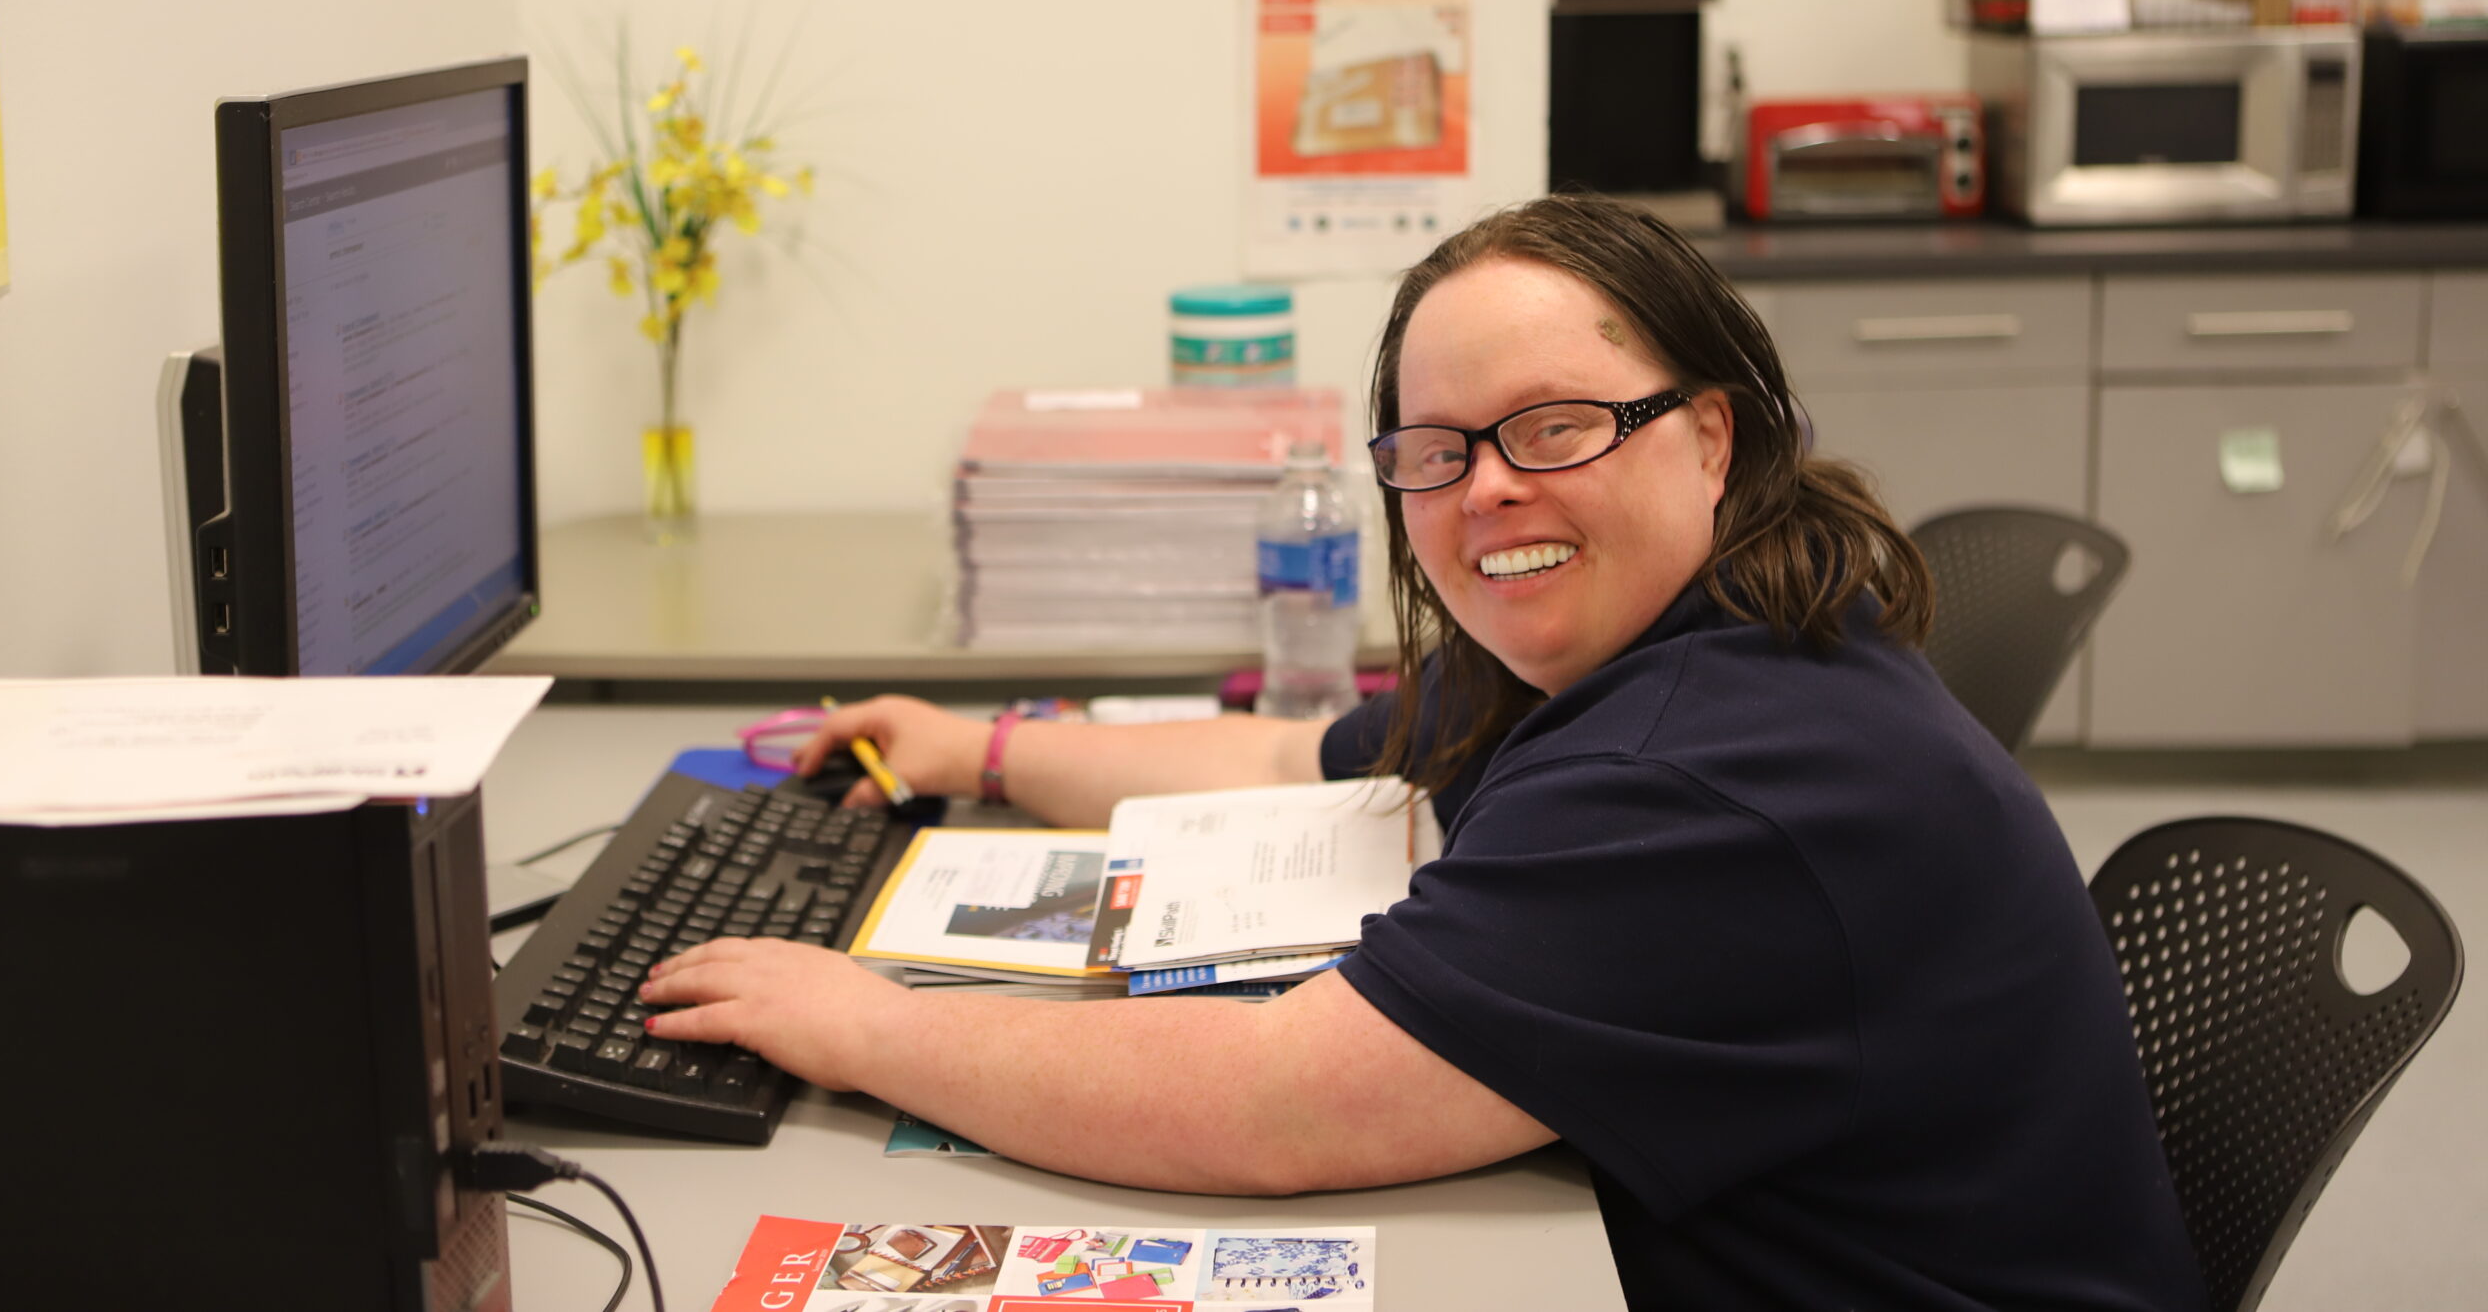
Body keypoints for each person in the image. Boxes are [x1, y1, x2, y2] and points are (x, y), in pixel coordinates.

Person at [640, 195, 2207, 1310]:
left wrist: (865, 1022)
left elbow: (1275, 1105)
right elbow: (1290, 766)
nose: (1485, 495)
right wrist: (976, 741)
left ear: (1710, 434)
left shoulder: (1718, 779)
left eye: (1554, 427)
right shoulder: (1660, 622)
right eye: (1435, 454)